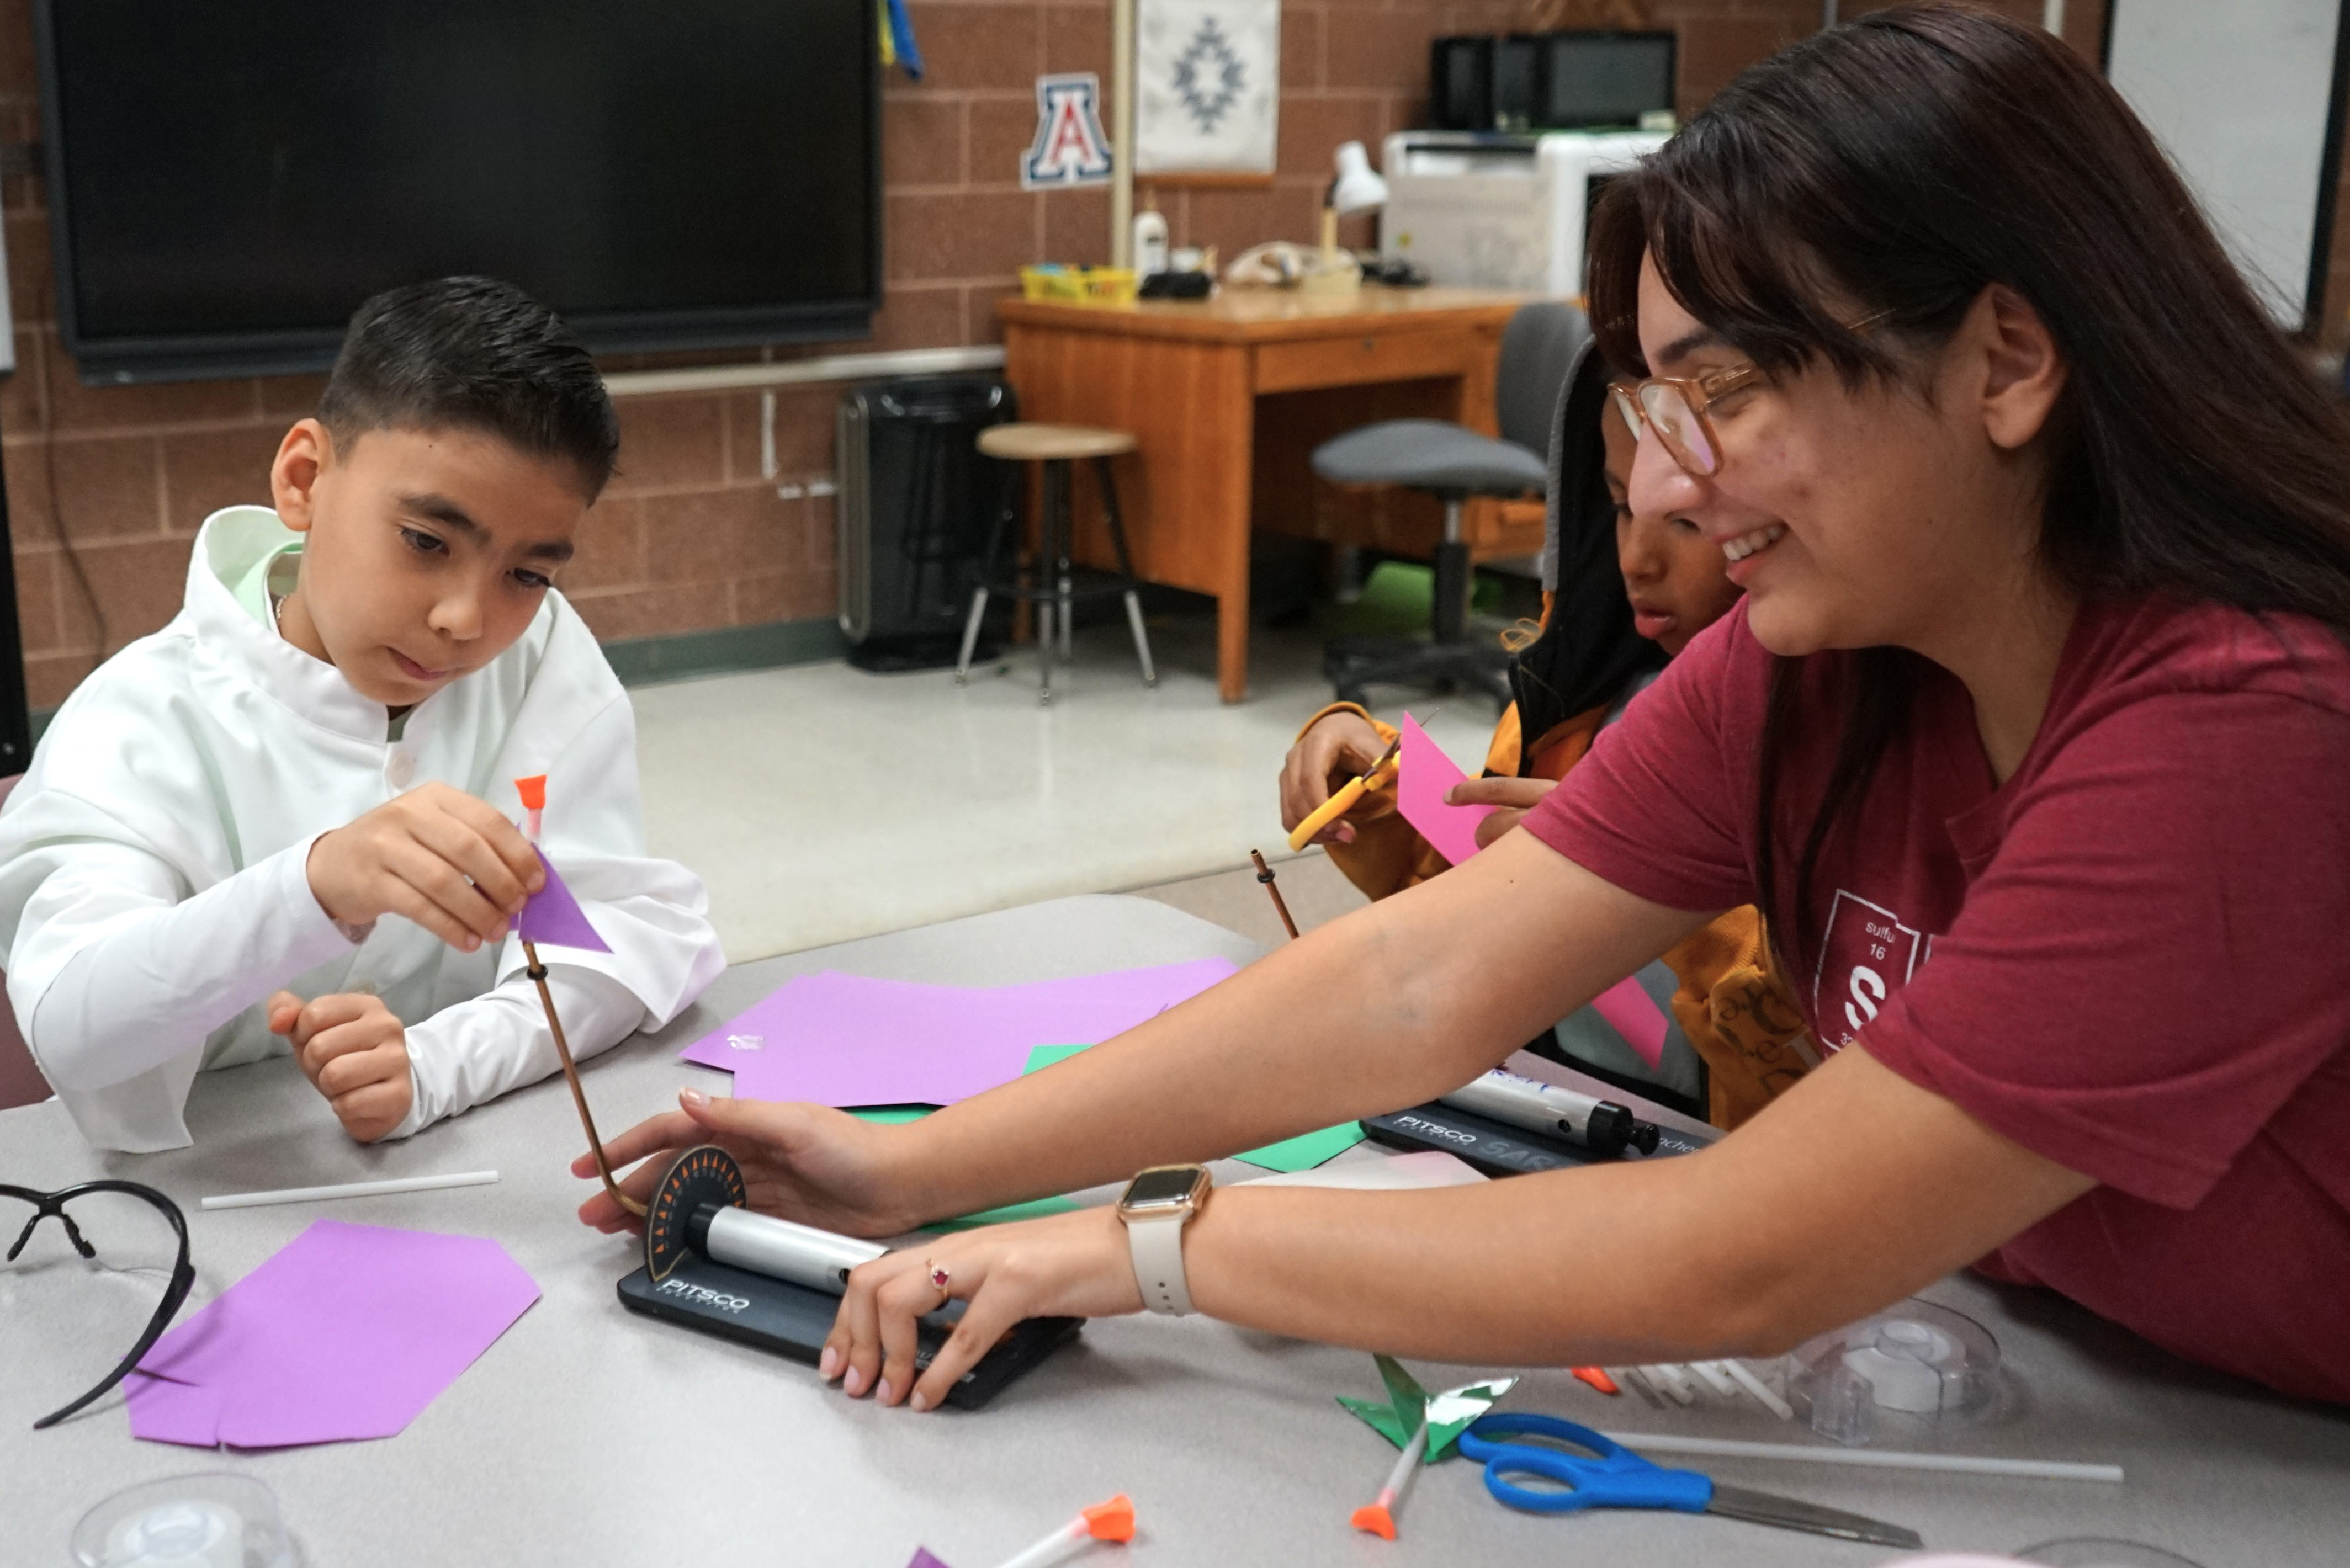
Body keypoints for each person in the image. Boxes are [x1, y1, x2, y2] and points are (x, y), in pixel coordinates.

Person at [580, 9, 2350, 1412]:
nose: (1670, 479)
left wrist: (1146, 1250)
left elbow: (1747, 1252)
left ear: (2005, 360)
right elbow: (1420, 978)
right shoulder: (1827, 653)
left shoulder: (2246, 729)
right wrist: (920, 1167)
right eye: (1658, 402)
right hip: (2089, 1376)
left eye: (1724, 391)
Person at [0, 277, 724, 1152]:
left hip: (469, 1165)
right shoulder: (133, 724)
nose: (466, 618)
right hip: (215, 1198)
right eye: (426, 541)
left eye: (527, 575)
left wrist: (434, 1064)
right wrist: (313, 884)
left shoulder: (537, 655)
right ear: (303, 480)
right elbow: (71, 1024)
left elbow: (620, 934)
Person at [1277, 341, 1807, 1125]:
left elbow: (1825, 1078)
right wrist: (1382, 793)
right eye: (1619, 506)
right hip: (1551, 1122)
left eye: (1687, 519)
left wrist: (1660, 881)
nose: (1635, 557)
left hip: (1720, 1172)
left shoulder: (1830, 747)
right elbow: (1472, 914)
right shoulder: (1573, 708)